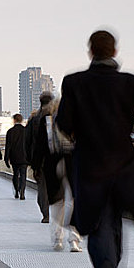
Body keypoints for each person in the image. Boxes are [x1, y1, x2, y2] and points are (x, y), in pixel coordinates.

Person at [56, 30, 134, 268]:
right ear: (114, 51)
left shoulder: (74, 83)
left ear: (91, 52)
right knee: (113, 219)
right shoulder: (129, 83)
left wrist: (78, 132)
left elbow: (63, 123)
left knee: (99, 222)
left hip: (89, 165)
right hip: (123, 165)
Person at [34, 99, 82, 252]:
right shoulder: (77, 120)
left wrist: (35, 167)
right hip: (73, 163)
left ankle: (57, 239)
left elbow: (39, 147)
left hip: (52, 163)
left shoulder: (46, 121)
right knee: (73, 201)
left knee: (56, 203)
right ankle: (74, 239)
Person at [27, 96, 52, 223]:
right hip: (58, 160)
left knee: (43, 189)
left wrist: (31, 162)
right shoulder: (60, 118)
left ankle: (46, 214)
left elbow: (29, 142)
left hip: (41, 161)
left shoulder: (34, 120)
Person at [4, 113, 28, 200]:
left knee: (15, 174)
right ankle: (22, 191)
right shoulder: (26, 131)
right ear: (21, 120)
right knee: (23, 175)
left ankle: (17, 190)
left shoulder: (10, 132)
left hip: (14, 157)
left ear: (14, 120)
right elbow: (29, 145)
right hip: (25, 157)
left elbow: (8, 146)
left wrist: (6, 158)